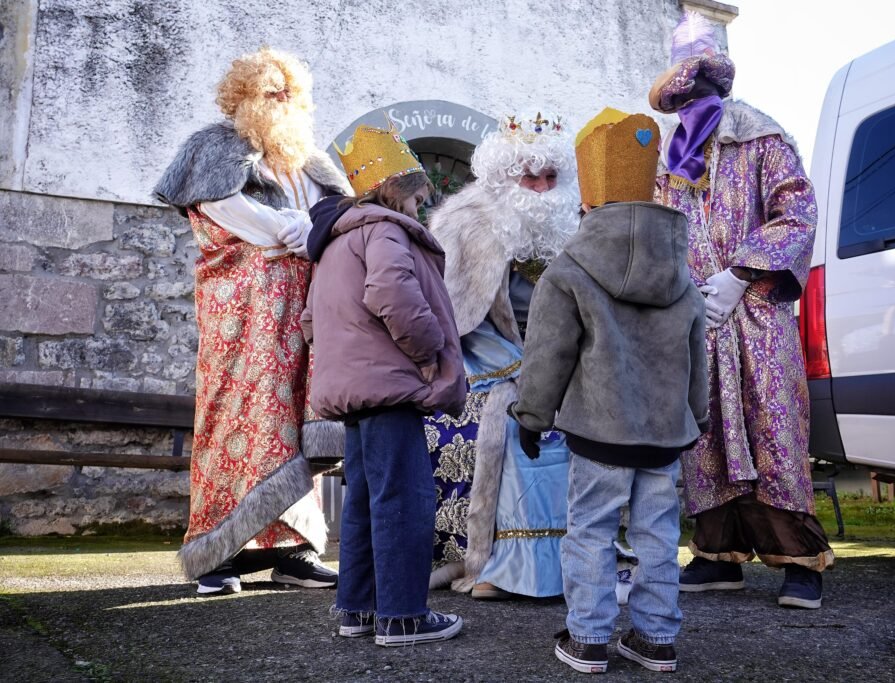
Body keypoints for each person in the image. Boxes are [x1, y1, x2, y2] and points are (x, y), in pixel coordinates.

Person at [510, 108, 709, 674]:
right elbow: (697, 357)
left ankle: (589, 638)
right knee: (658, 535)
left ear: (589, 197)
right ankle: (656, 638)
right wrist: (696, 418)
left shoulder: (569, 270)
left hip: (599, 430)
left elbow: (548, 352)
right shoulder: (680, 273)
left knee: (590, 532)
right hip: (665, 434)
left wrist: (531, 416)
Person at [649, 11, 834, 609]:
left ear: (718, 84)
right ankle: (716, 554)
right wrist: (682, 290)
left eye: (698, 90)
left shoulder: (762, 137)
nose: (689, 105)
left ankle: (800, 561)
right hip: (697, 317)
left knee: (772, 427)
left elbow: (797, 215)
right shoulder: (669, 159)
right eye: (680, 96)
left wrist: (740, 274)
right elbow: (657, 232)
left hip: (755, 312)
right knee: (704, 434)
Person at [153, 47, 349, 595]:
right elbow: (237, 216)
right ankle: (216, 555)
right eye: (271, 92)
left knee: (296, 419)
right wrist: (298, 228)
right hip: (243, 321)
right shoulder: (216, 149)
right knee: (239, 417)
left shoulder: (310, 161)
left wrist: (310, 229)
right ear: (242, 98)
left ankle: (295, 551)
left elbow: (335, 215)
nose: (282, 102)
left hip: (304, 315)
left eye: (290, 93)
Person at [302, 119, 467, 647]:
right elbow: (392, 293)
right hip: (390, 385)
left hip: (356, 389)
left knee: (365, 500)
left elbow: (310, 321)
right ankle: (402, 615)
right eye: (417, 200)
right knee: (404, 498)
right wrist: (428, 352)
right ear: (396, 193)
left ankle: (358, 608)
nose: (418, 210)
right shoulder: (385, 229)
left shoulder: (335, 242)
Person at [425, 112, 581, 599]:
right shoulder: (462, 222)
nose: (542, 189)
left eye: (551, 177)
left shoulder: (576, 224)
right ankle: (495, 563)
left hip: (562, 362)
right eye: (530, 178)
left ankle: (574, 561)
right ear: (504, 177)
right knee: (512, 423)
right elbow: (450, 315)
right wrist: (519, 369)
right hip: (480, 358)